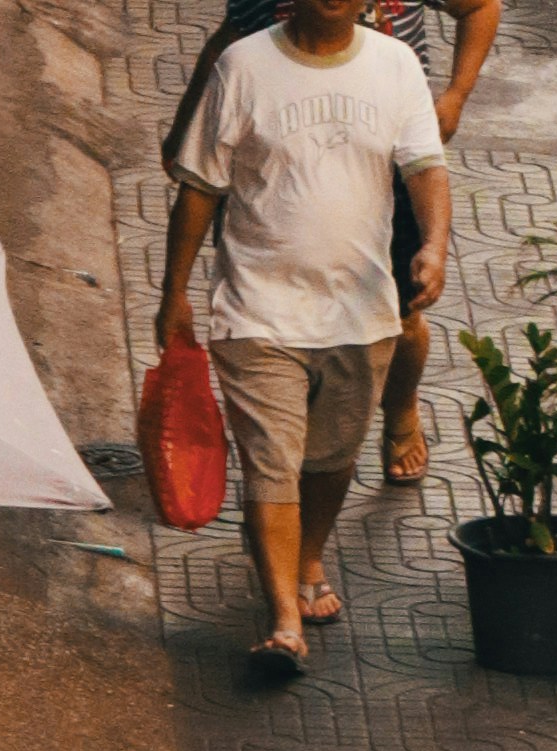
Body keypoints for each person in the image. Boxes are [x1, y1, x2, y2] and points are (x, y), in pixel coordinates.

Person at [156, 0, 455, 684]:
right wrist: (174, 294)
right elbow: (199, 189)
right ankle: (284, 621)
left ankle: (308, 554)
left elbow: (424, 168)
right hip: (258, 309)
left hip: (360, 310)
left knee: (331, 461)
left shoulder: (396, 65)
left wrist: (434, 247)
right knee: (273, 462)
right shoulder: (243, 65)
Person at [171, 0, 504, 491]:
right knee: (271, 295)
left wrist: (455, 95)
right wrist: (187, 124)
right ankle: (284, 437)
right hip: (277, 158)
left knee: (401, 310)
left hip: (381, 162)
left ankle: (401, 409)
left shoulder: (394, 64)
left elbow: (480, 7)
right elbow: (230, 35)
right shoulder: (249, 57)